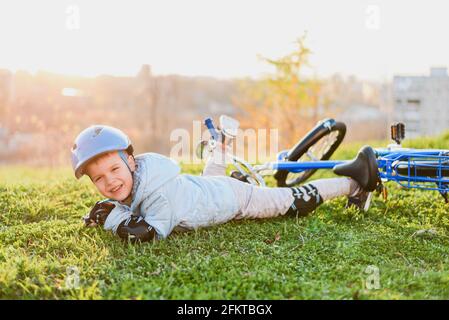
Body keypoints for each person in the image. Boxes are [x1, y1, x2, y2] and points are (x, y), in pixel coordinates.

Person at [72, 125, 379, 243]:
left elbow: (144, 234)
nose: (110, 181)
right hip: (204, 191)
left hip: (233, 200)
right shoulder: (139, 179)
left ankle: (356, 181)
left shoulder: (159, 196)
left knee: (293, 201)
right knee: (212, 177)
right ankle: (220, 144)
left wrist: (110, 217)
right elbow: (120, 208)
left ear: (131, 161)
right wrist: (105, 211)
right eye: (98, 178)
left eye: (114, 168)